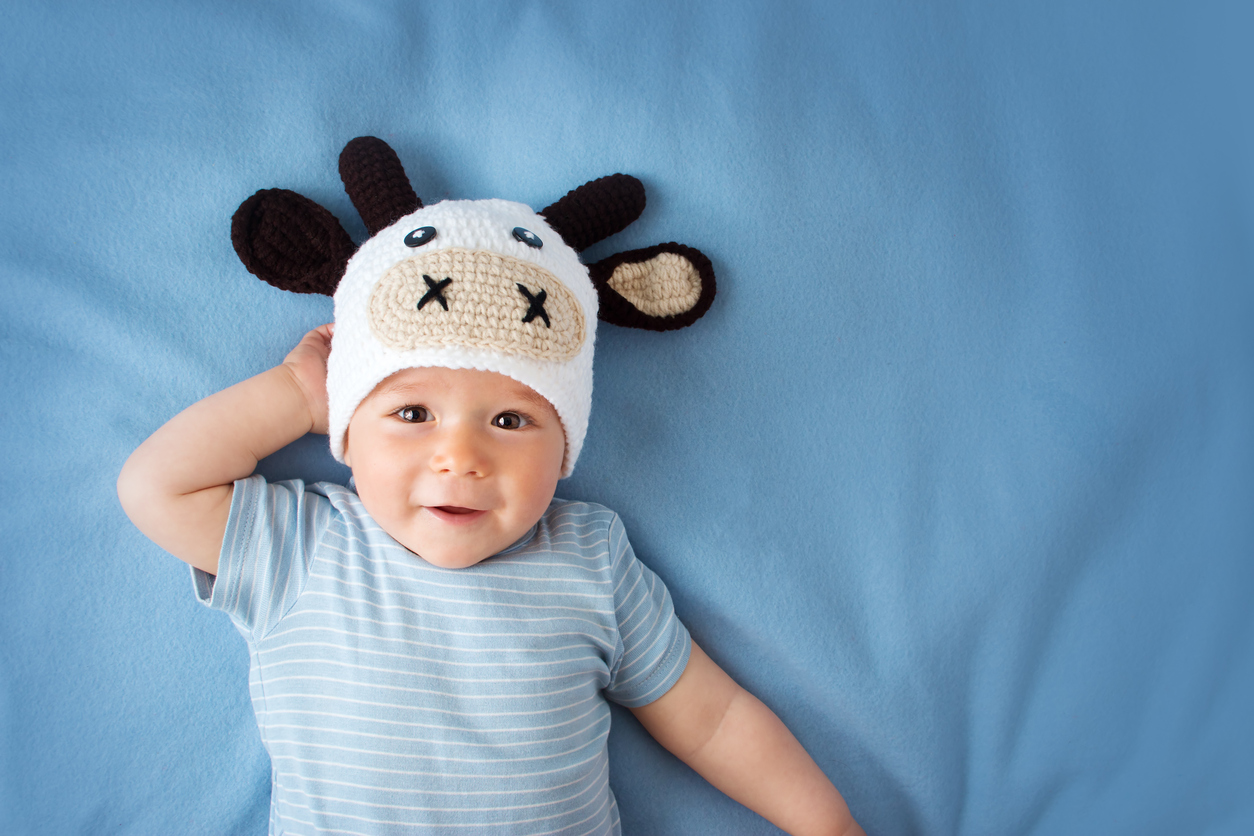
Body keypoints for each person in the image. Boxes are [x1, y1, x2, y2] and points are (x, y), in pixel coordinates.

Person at [118, 140, 865, 835]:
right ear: (347, 431)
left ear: (566, 443)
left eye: (511, 419)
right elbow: (157, 487)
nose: (461, 456)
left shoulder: (590, 558)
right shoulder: (302, 545)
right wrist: (297, 396)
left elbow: (712, 719)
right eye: (411, 413)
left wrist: (824, 823)